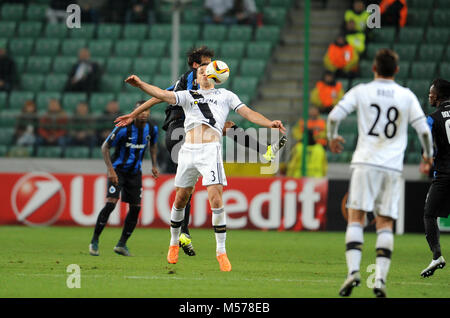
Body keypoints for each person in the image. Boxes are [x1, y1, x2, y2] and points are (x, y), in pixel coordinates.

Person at [115, 47, 285, 257]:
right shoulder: (190, 80)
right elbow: (162, 96)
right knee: (188, 185)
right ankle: (183, 231)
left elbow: (158, 96)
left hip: (188, 130)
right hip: (180, 128)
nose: (210, 67)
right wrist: (134, 113)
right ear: (196, 66)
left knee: (226, 130)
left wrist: (133, 113)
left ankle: (264, 151)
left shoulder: (211, 87)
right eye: (206, 63)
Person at [327, 48, 433, 297]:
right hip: (392, 168)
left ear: (374, 68)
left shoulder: (361, 91)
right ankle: (380, 280)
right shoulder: (406, 96)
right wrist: (428, 155)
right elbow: (425, 132)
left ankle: (353, 272)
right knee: (385, 222)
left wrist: (332, 138)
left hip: (364, 162)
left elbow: (333, 117)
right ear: (396, 70)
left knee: (356, 217)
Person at [89, 101, 159, 257]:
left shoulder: (152, 128)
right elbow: (105, 147)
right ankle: (94, 241)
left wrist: (154, 165)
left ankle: (121, 244)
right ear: (134, 112)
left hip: (135, 173)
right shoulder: (124, 128)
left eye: (146, 110)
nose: (144, 113)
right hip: (118, 171)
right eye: (140, 110)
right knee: (111, 204)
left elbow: (153, 145)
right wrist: (110, 170)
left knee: (136, 208)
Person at [419, 78, 449, 278]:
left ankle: (437, 255)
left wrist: (426, 157)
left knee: (430, 214)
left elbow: (427, 146)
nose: (429, 95)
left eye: (431, 93)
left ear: (438, 96)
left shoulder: (432, 118)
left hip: (445, 174)